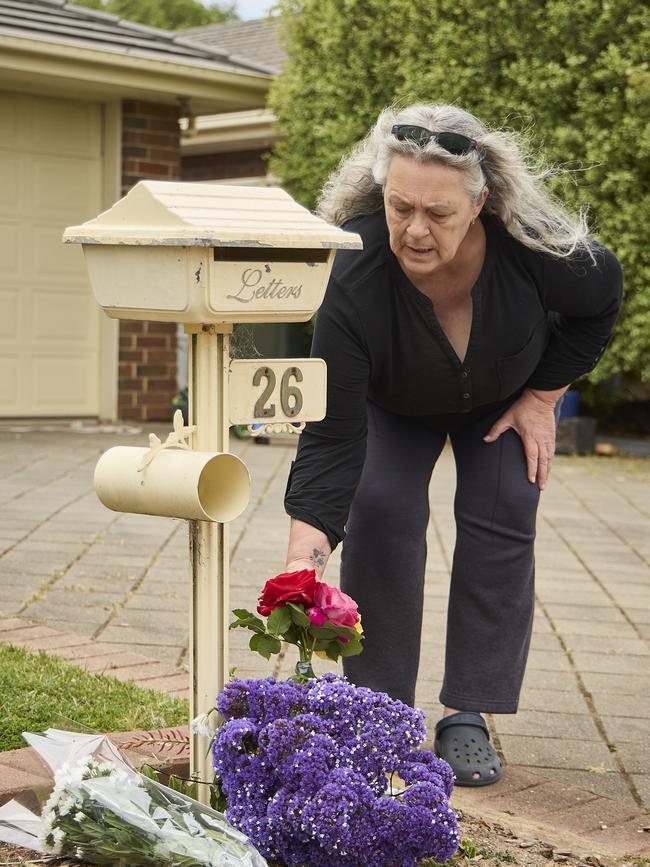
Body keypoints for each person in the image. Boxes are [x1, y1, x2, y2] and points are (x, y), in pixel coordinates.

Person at [282, 104, 622, 786]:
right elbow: (331, 436)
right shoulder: (350, 271)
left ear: (481, 202)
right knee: (379, 505)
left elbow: (601, 298)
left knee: (503, 507)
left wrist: (544, 395)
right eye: (399, 206)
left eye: (437, 212)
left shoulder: (534, 247)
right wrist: (302, 560)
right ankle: (378, 710)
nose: (414, 229)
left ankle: (467, 711)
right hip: (396, 404)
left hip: (503, 396)